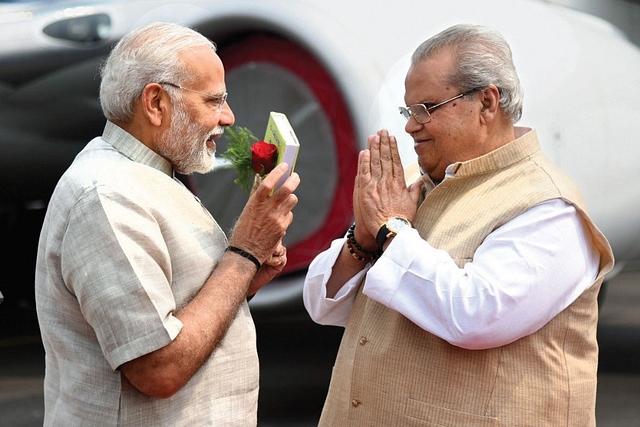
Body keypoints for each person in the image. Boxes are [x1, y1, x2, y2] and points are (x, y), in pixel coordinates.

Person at [303, 23, 614, 426]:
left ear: (486, 103)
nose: (412, 125)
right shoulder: (416, 182)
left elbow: (476, 316)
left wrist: (391, 230)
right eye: (408, 111)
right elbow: (321, 304)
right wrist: (364, 237)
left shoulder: (549, 205)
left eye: (426, 109)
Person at [35, 22, 299, 426]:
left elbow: (178, 307)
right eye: (214, 100)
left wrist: (250, 271)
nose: (228, 117)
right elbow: (158, 369)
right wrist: (243, 252)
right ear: (156, 103)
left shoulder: (144, 176)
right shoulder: (107, 196)